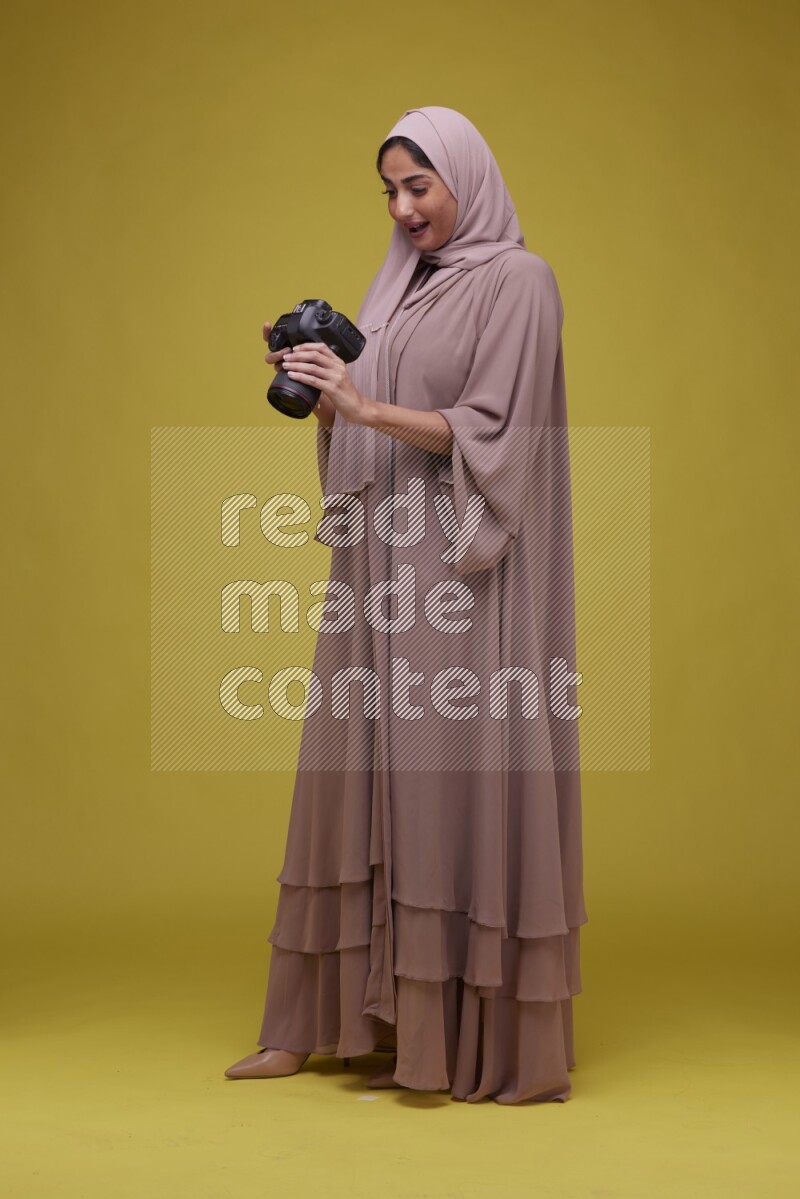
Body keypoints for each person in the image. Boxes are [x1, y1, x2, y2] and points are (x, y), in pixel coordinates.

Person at [224, 105, 588, 1104]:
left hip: (460, 575)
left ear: (463, 176)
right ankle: (311, 1023)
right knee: (350, 772)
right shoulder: (402, 288)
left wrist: (364, 402)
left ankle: (455, 1036)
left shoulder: (519, 280)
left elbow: (495, 433)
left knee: (438, 781)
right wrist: (320, 378)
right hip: (379, 570)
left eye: (417, 185)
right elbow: (365, 422)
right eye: (389, 190)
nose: (402, 207)